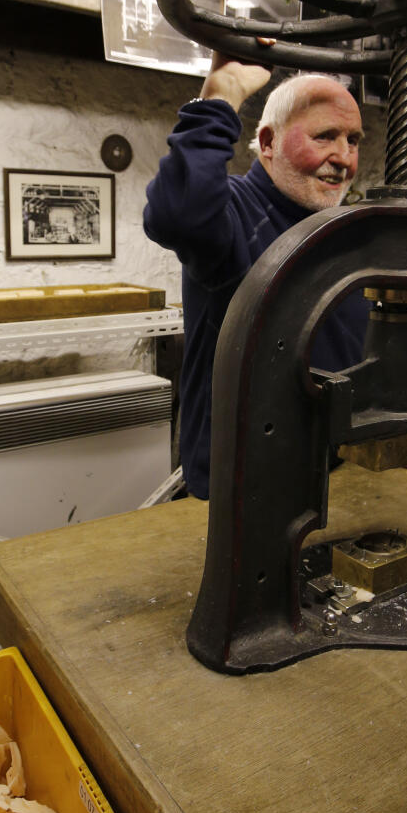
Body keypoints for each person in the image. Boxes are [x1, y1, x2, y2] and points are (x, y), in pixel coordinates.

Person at [144, 54, 370, 499]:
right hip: (244, 487)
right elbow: (177, 216)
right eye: (325, 136)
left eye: (354, 139)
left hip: (340, 477)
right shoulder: (235, 210)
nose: (343, 158)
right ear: (267, 142)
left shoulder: (343, 232)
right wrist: (222, 95)